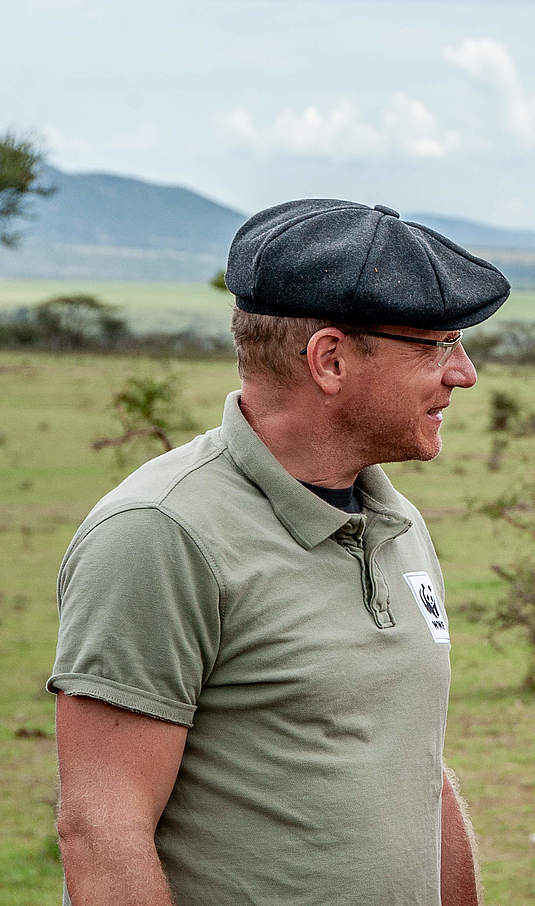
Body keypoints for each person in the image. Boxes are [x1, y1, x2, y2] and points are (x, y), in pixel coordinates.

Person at [49, 199, 510, 905]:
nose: (464, 373)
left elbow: (415, 769)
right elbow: (103, 829)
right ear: (330, 359)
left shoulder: (395, 521)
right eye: (436, 345)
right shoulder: (160, 533)